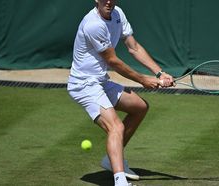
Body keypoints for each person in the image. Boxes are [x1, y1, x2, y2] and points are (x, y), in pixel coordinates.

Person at [67, 0, 174, 185]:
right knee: (116, 127)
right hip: (83, 84)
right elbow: (113, 62)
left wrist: (159, 73)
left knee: (140, 107)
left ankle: (111, 160)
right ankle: (120, 181)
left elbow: (134, 47)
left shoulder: (118, 14)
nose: (109, 1)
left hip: (100, 81)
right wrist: (143, 80)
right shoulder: (93, 24)